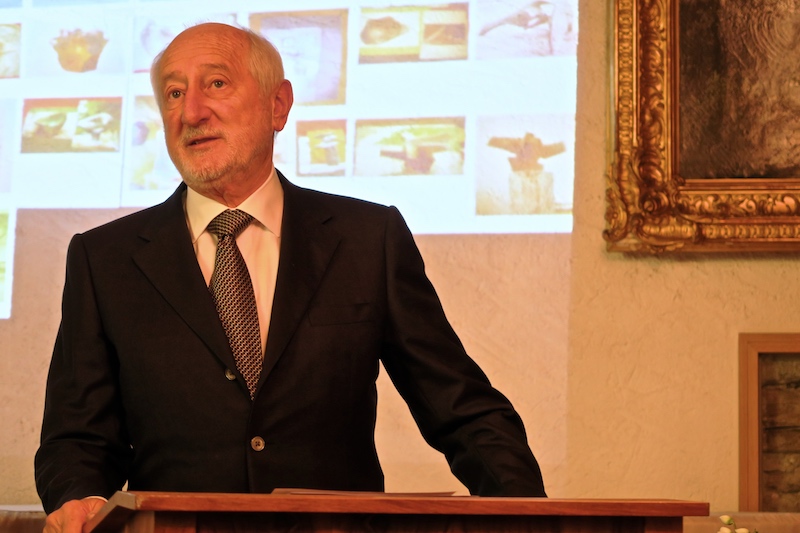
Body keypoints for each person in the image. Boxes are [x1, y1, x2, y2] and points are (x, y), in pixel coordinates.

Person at [34, 22, 546, 533]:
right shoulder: (105, 258)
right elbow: (77, 438)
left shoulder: (367, 239)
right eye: (174, 93)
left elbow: (460, 408)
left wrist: (528, 515)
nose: (191, 112)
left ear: (278, 106)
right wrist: (80, 498)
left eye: (216, 84)